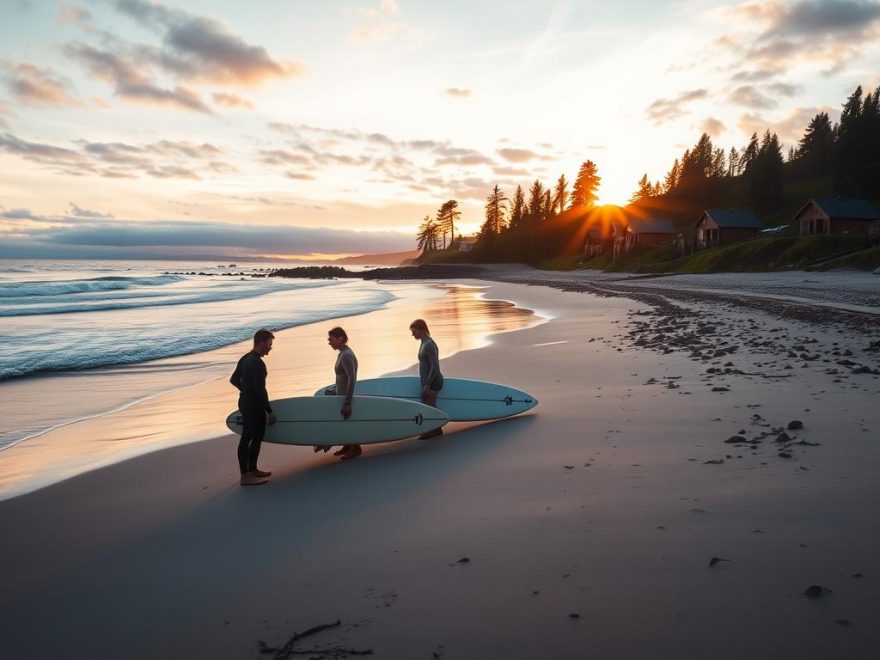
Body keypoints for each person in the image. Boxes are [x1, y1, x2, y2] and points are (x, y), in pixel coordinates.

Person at [230, 329, 276, 486]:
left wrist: (244, 390)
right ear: (261, 343)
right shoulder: (257, 363)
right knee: (254, 437)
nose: (270, 347)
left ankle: (252, 470)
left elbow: (234, 379)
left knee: (248, 437)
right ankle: (246, 475)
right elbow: (260, 390)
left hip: (244, 403)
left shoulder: (246, 358)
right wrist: (269, 411)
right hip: (254, 406)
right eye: (269, 344)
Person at [327, 326, 361, 460]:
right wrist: (334, 391)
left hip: (345, 397)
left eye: (331, 339)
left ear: (340, 338)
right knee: (344, 421)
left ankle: (356, 448)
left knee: (348, 421)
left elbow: (352, 378)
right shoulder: (342, 353)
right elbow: (342, 378)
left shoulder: (346, 355)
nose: (329, 342)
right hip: (340, 395)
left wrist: (347, 401)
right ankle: (347, 445)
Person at [410, 318, 444, 439]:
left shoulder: (429, 344)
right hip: (428, 381)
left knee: (431, 407)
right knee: (427, 405)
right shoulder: (423, 342)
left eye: (414, 331)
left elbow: (434, 366)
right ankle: (432, 429)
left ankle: (436, 430)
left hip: (433, 381)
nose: (412, 334)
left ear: (421, 330)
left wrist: (427, 385)